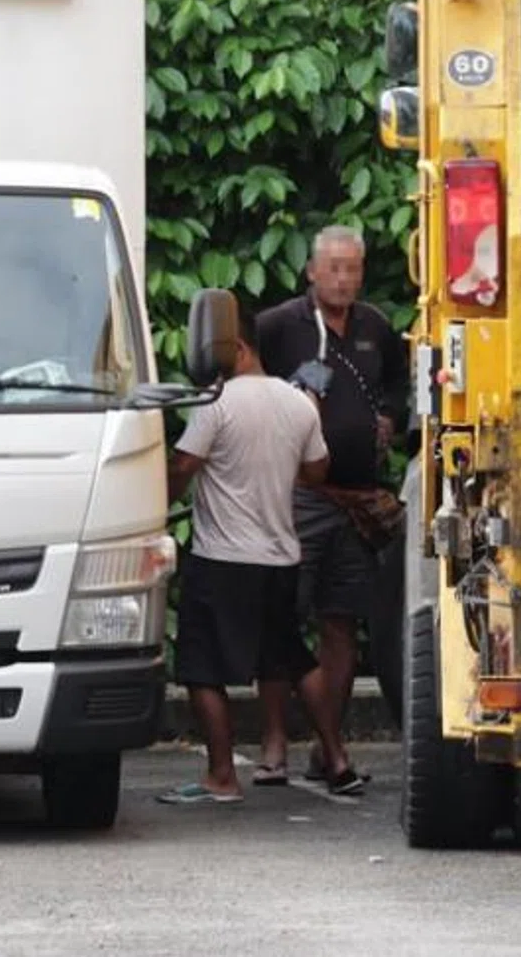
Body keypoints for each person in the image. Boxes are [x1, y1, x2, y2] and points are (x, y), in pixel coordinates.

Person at [158, 307, 366, 804]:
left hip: (223, 557)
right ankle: (337, 758)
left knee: (201, 665)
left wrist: (155, 499)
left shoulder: (217, 404)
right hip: (280, 557)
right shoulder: (297, 404)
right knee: (291, 657)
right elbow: (318, 470)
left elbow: (185, 463)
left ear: (239, 347)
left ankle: (222, 775)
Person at [253, 224, 409, 785]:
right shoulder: (279, 325)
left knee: (341, 622)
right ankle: (274, 744)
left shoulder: (376, 327)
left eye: (353, 267)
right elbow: (245, 381)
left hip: (357, 501)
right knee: (280, 619)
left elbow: (397, 383)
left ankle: (328, 742)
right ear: (312, 271)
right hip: (298, 495)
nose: (343, 277)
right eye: (333, 267)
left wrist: (390, 415)